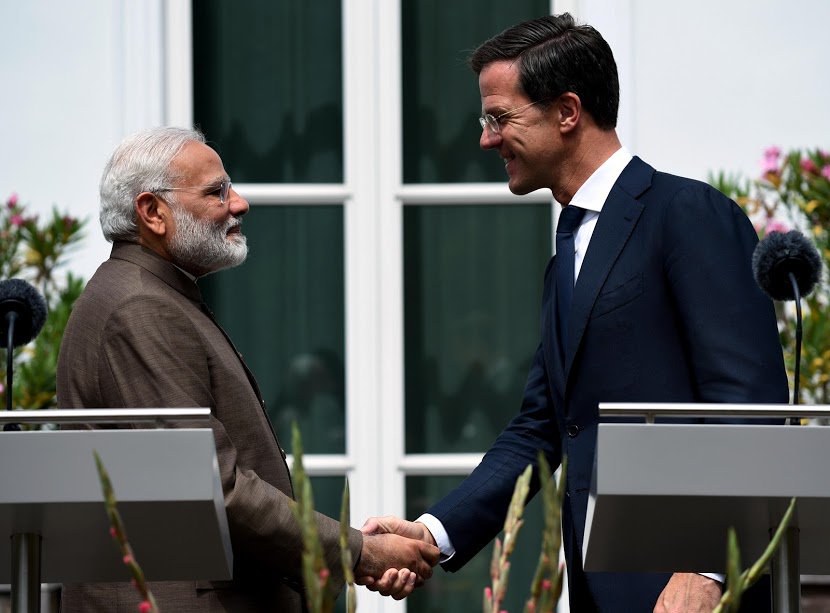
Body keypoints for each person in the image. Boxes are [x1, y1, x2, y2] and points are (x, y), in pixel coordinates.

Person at [361, 13, 788, 612]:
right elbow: (541, 428)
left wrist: (709, 571)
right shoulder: (569, 251)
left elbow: (752, 409)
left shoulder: (688, 213)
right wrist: (434, 533)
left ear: (567, 111)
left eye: (498, 118)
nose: (485, 139)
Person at [56, 127, 438, 612]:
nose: (239, 203)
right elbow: (213, 484)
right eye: (216, 191)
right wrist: (357, 551)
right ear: (153, 212)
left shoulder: (149, 293)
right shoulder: (140, 307)